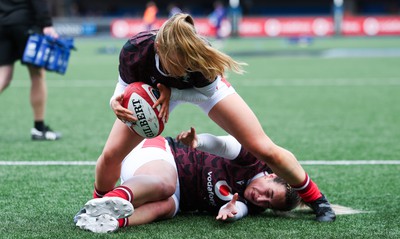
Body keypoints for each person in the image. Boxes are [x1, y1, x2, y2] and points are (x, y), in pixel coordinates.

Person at [94, 13, 335, 223]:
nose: (180, 69)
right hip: (152, 91)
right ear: (158, 48)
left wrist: (173, 92)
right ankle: (96, 206)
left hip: (199, 91)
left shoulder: (200, 57)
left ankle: (317, 199)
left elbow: (202, 96)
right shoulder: (134, 50)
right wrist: (116, 99)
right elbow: (124, 85)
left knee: (263, 148)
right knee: (112, 154)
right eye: (175, 64)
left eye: (184, 63)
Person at [75, 128, 301, 233]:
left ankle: (103, 221)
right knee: (166, 184)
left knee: (163, 207)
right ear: (271, 176)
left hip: (177, 197)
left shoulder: (253, 204)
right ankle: (108, 200)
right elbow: (223, 145)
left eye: (268, 204)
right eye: (268, 193)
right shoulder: (252, 160)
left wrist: (232, 211)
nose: (260, 199)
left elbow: (238, 209)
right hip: (161, 154)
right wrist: (199, 141)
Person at [0, 0, 61, 140]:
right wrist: (46, 23)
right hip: (26, 23)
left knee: (3, 77)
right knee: (37, 75)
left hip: (2, 23)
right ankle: (39, 129)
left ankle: (39, 129)